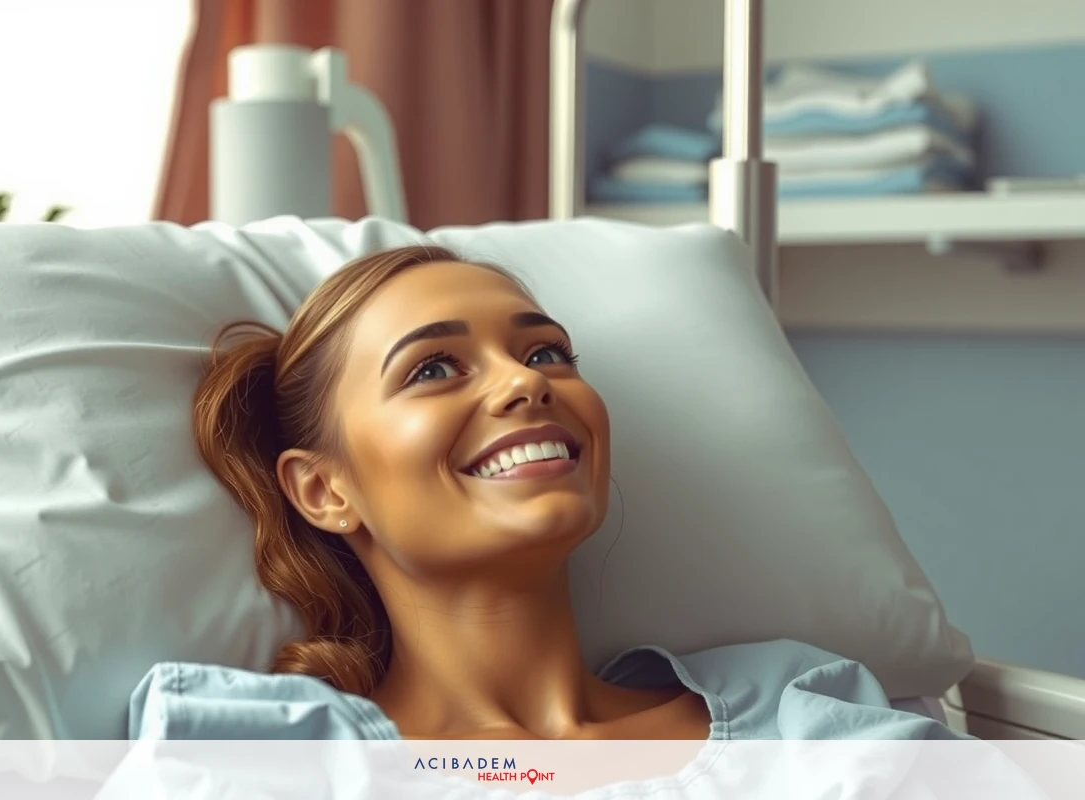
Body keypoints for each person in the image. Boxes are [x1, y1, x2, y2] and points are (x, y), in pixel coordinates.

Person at [128, 244, 965, 743]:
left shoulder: (801, 719)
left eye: (547, 354)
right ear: (323, 489)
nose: (527, 386)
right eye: (432, 369)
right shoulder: (263, 758)